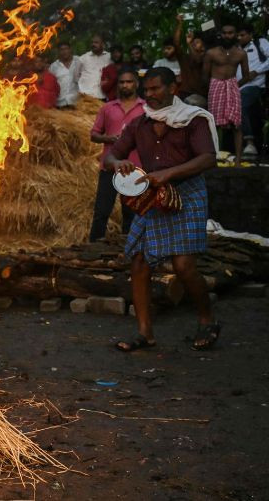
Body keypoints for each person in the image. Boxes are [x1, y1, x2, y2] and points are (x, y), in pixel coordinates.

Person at [108, 67, 220, 352]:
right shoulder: (140, 123)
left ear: (173, 88)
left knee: (183, 266)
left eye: (156, 88)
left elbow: (208, 158)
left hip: (188, 194)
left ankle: (207, 320)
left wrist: (169, 173)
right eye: (146, 90)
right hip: (152, 196)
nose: (150, 95)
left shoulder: (193, 119)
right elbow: (111, 155)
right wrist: (118, 164)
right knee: (139, 262)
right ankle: (145, 333)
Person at [88, 67, 144, 241]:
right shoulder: (107, 108)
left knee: (131, 212)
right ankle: (93, 248)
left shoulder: (146, 108)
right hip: (109, 167)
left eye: (129, 82)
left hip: (135, 168)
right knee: (101, 211)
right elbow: (94, 134)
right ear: (117, 85)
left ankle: (129, 248)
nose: (125, 85)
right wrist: (110, 138)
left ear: (136, 84)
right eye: (122, 82)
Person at [203, 23, 250, 165]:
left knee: (236, 124)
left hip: (232, 86)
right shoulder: (211, 53)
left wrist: (234, 86)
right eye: (224, 33)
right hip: (215, 86)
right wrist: (213, 87)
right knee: (214, 124)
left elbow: (246, 75)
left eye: (230, 33)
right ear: (220, 34)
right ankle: (212, 159)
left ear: (235, 35)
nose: (227, 36)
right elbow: (205, 75)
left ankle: (238, 161)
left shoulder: (241, 53)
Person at [236, 23, 268, 157]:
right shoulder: (235, 48)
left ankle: (250, 143)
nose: (239, 38)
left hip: (255, 84)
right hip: (238, 87)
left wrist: (257, 71)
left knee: (240, 104)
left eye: (242, 35)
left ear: (250, 35)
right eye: (238, 35)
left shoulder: (260, 43)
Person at [49, 41, 82, 108]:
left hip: (77, 103)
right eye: (61, 50)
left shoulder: (79, 61)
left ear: (70, 50)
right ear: (58, 52)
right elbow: (51, 86)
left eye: (66, 49)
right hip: (60, 104)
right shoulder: (53, 67)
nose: (64, 52)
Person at [78, 35, 111, 100]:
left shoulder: (109, 57)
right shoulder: (83, 58)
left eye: (96, 42)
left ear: (103, 44)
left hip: (103, 97)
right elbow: (75, 75)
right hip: (85, 97)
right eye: (92, 42)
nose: (93, 44)